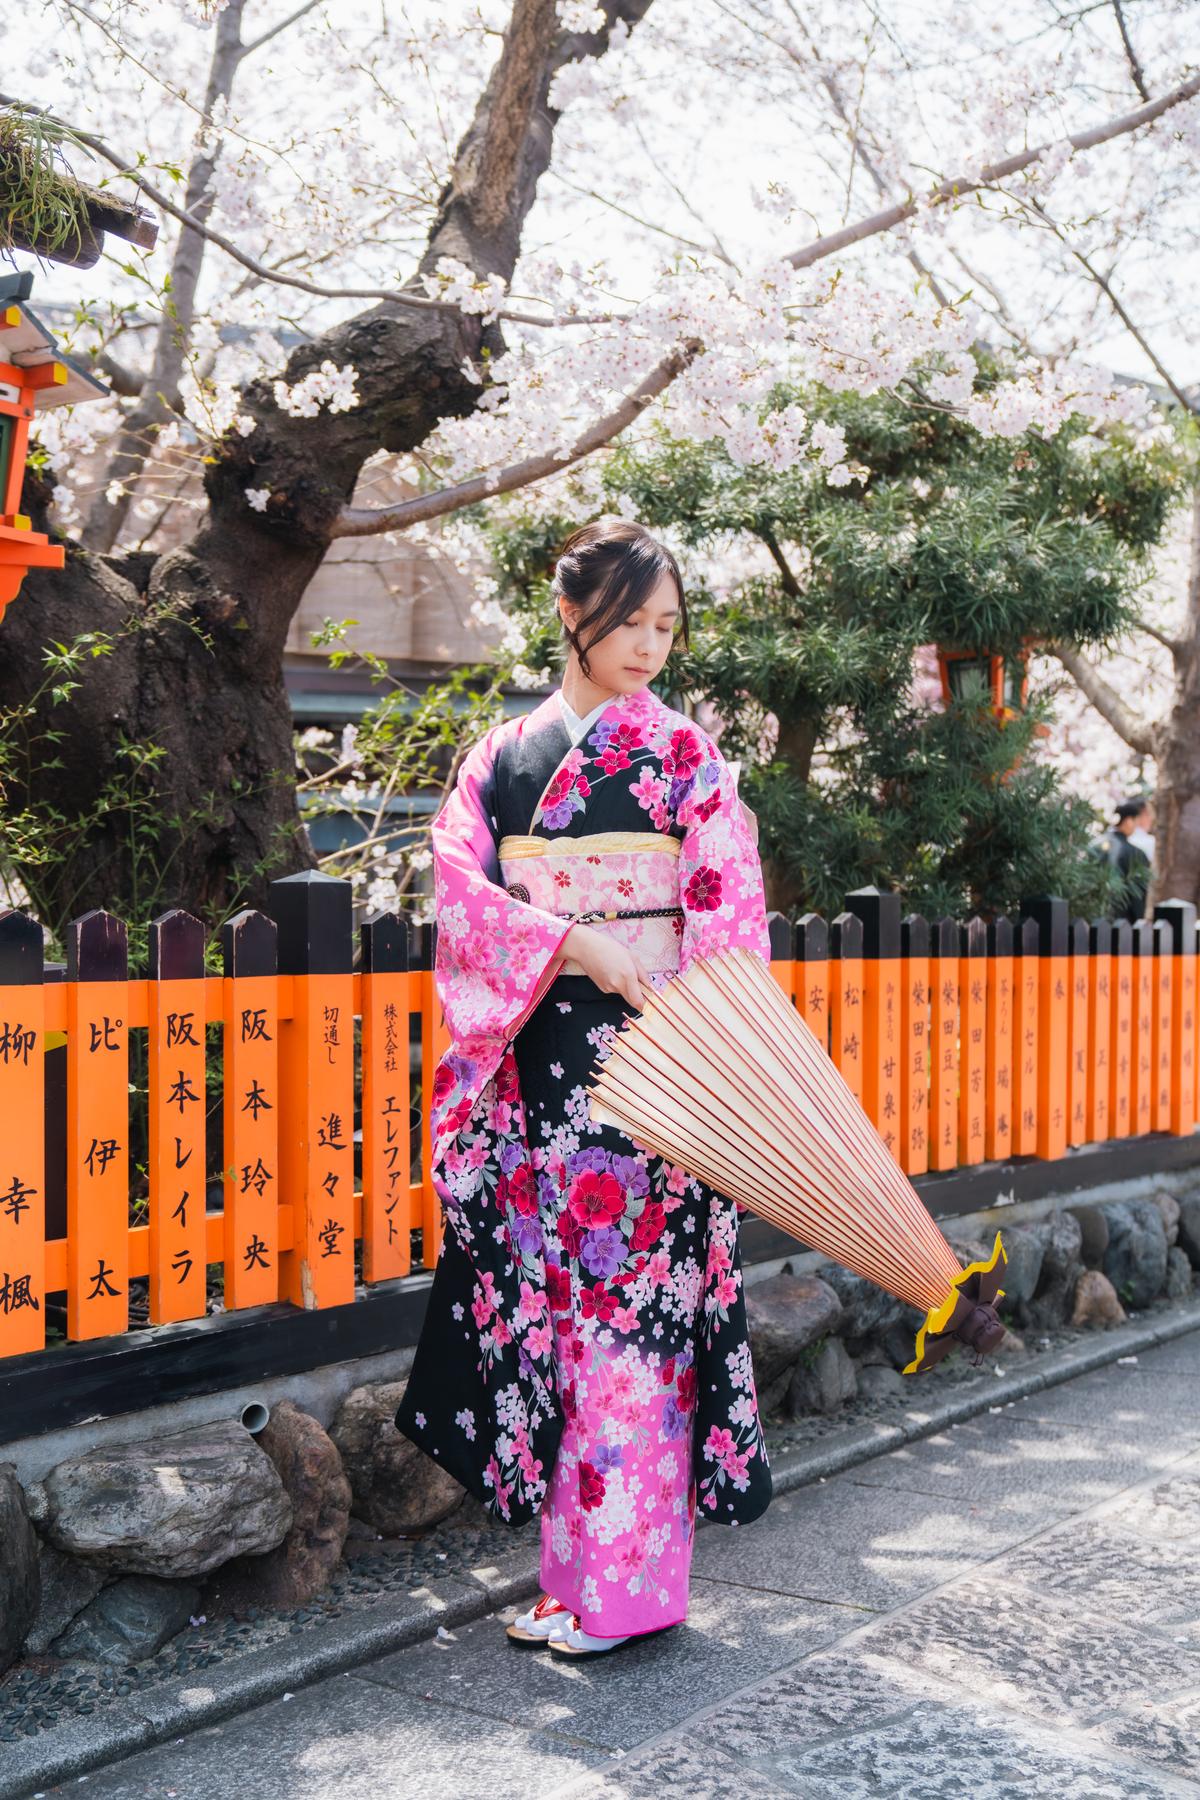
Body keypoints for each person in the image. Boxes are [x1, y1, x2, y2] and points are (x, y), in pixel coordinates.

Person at [396, 518, 772, 1659]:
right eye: (630, 622)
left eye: (667, 626)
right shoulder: (501, 759)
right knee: (563, 1326)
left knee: (632, 1329)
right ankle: (572, 1582)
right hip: (536, 1077)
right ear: (571, 614)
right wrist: (569, 942)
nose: (651, 646)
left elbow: (728, 920)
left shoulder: (686, 757)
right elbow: (460, 896)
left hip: (654, 1074)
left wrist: (705, 1048)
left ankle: (627, 1593)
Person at [1091, 796, 1153, 923]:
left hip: (1093, 916)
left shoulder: (1094, 846)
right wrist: (1139, 921)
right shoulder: (1135, 853)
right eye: (1136, 821)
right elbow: (1138, 894)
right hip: (1123, 920)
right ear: (1129, 821)